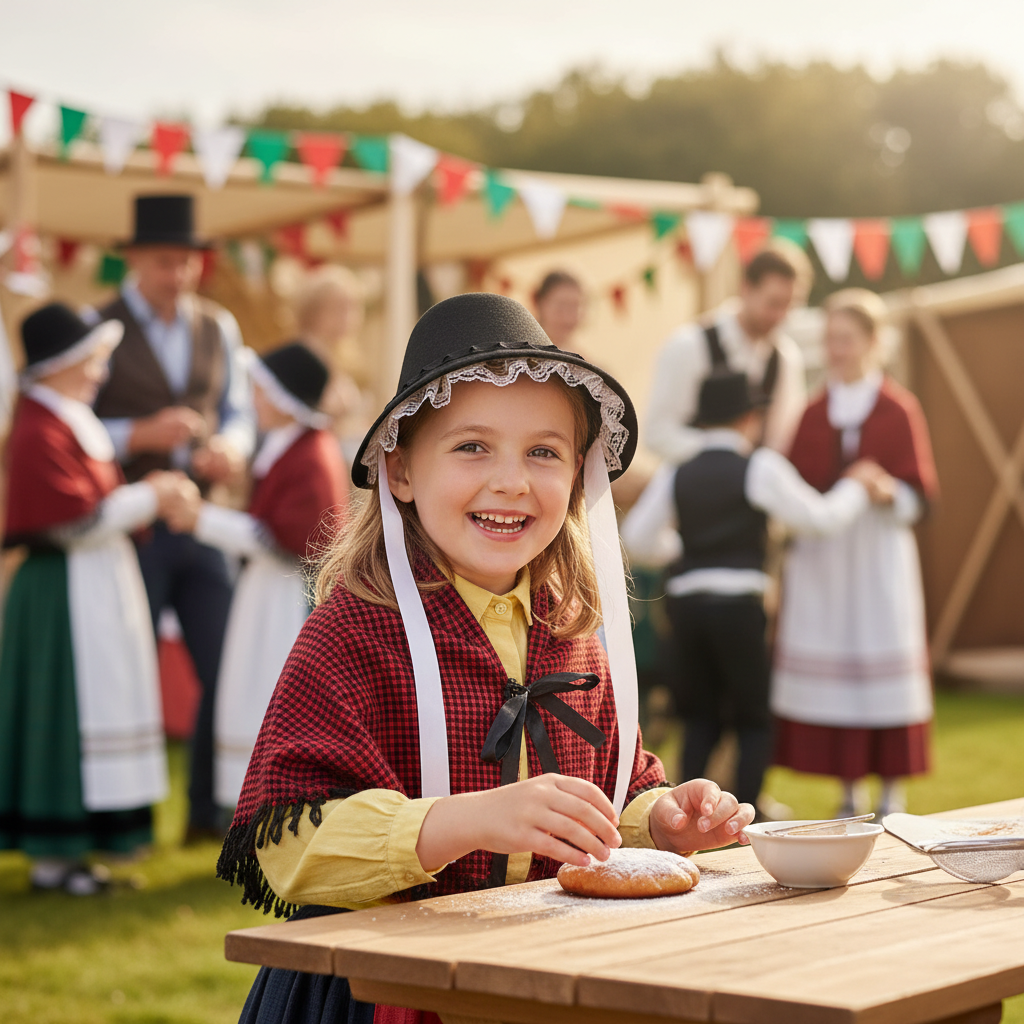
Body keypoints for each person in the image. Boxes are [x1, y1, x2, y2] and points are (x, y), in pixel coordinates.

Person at [216, 293, 754, 1024]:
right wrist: (467, 820)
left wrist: (658, 822)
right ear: (401, 472)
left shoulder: (570, 628)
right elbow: (291, 840)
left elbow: (610, 785)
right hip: (378, 990)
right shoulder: (355, 633)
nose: (512, 481)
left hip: (537, 979)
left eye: (543, 451)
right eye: (472, 446)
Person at [621, 369, 889, 812]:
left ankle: (688, 815)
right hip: (738, 608)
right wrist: (856, 487)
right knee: (753, 719)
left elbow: (639, 539)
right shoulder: (759, 467)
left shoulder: (678, 472)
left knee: (700, 717)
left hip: (688, 607)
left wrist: (685, 548)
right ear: (749, 418)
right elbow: (820, 520)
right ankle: (742, 816)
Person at [0, 303, 197, 894]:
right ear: (61, 363)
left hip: (93, 582)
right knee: (66, 710)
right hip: (61, 591)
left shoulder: (65, 419)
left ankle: (77, 852)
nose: (98, 372)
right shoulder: (40, 427)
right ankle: (53, 856)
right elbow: (73, 523)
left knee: (94, 708)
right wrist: (152, 495)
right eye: (90, 360)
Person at [92, 194, 256, 841]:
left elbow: (238, 411)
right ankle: (118, 819)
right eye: (166, 262)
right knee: (125, 666)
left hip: (204, 522)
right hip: (128, 526)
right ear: (133, 259)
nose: (179, 275)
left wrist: (230, 450)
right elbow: (62, 425)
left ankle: (207, 813)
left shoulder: (219, 326)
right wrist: (138, 434)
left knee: (226, 662)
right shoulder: (96, 325)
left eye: (188, 262)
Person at [772, 289, 939, 818]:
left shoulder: (898, 408)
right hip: (824, 560)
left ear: (871, 342)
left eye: (845, 339)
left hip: (878, 556)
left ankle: (892, 793)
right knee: (835, 669)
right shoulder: (813, 411)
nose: (836, 350)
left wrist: (888, 489)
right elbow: (795, 484)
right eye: (830, 339)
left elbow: (921, 494)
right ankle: (848, 794)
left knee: (883, 662)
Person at [164, 343, 348, 810]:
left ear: (284, 398)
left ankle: (279, 795)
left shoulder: (309, 454)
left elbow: (281, 538)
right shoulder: (290, 447)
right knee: (250, 687)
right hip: (265, 591)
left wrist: (201, 519)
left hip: (286, 601)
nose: (255, 400)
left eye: (263, 391)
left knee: (272, 688)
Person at [645, 247, 808, 465]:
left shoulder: (786, 357)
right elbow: (657, 432)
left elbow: (782, 440)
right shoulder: (688, 345)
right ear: (746, 288)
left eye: (790, 306)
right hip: (693, 488)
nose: (781, 316)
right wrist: (725, 456)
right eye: (774, 303)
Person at [293, 263, 368, 465]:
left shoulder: (336, 357)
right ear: (314, 311)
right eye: (339, 307)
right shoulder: (301, 359)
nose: (349, 317)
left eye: (352, 307)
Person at [532, 270, 586, 356]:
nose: (567, 318)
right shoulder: (517, 353)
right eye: (560, 307)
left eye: (574, 308)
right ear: (539, 304)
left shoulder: (585, 362)